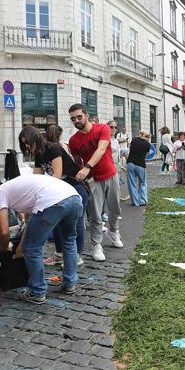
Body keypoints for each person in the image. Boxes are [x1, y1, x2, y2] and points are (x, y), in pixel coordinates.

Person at [0, 175, 83, 302]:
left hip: (53, 202)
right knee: (69, 240)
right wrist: (19, 250)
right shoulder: (19, 189)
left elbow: (4, 231)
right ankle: (70, 284)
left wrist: (5, 248)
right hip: (74, 197)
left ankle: (37, 292)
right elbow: (29, 225)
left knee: (33, 248)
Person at [18, 125, 88, 260]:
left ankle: (77, 256)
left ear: (35, 138)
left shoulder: (53, 148)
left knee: (75, 223)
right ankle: (59, 254)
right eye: (23, 144)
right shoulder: (38, 154)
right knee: (56, 224)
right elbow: (37, 177)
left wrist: (42, 191)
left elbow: (57, 174)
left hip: (75, 188)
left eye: (27, 142)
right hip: (59, 191)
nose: (26, 146)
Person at [68, 104, 123, 262]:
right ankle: (96, 244)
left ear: (86, 115)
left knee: (115, 208)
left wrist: (87, 167)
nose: (76, 120)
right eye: (73, 119)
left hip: (111, 174)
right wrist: (83, 173)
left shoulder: (102, 129)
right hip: (93, 180)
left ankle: (113, 231)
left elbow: (101, 149)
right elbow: (77, 162)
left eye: (79, 117)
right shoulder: (74, 141)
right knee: (95, 214)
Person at [126, 130, 153, 206]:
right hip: (140, 165)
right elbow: (147, 155)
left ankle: (135, 202)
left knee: (132, 183)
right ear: (147, 137)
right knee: (142, 183)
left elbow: (130, 148)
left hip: (130, 163)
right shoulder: (148, 144)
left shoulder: (134, 139)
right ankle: (142, 200)